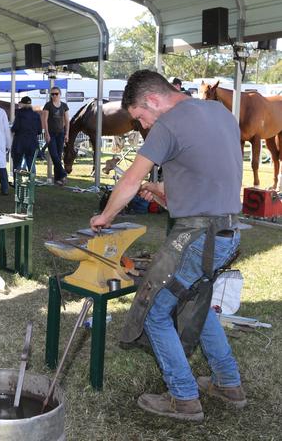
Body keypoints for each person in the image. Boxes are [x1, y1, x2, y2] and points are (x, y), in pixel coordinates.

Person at [90, 70, 245, 422]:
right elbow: (213, 178)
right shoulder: (219, 112)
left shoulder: (168, 124)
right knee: (197, 303)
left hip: (198, 237)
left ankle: (184, 397)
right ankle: (228, 383)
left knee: (156, 312)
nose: (143, 126)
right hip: (227, 233)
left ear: (153, 100)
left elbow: (130, 179)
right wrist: (163, 191)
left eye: (140, 117)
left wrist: (106, 216)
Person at [10, 95, 42, 182]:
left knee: (17, 164)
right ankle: (31, 182)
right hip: (32, 143)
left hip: (20, 143)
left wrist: (11, 129)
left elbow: (15, 128)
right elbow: (39, 131)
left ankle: (17, 182)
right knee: (31, 164)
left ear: (23, 104)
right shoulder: (36, 115)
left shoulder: (19, 114)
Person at [42, 87, 69, 185]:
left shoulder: (64, 106)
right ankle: (63, 174)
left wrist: (67, 133)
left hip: (61, 133)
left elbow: (67, 120)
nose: (54, 96)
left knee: (58, 156)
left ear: (60, 94)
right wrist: (47, 133)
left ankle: (57, 179)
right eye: (52, 94)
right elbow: (44, 120)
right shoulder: (48, 105)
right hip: (51, 133)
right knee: (54, 155)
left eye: (56, 94)